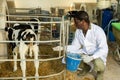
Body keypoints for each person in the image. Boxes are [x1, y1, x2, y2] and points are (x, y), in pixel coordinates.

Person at [53, 11, 108, 80]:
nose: (75, 24)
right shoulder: (79, 31)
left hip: (97, 55)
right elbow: (75, 46)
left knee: (98, 64)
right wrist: (63, 47)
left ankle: (100, 73)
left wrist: (92, 57)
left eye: (76, 22)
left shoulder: (98, 31)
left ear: (83, 21)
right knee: (71, 56)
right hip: (85, 53)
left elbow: (104, 49)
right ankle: (86, 67)